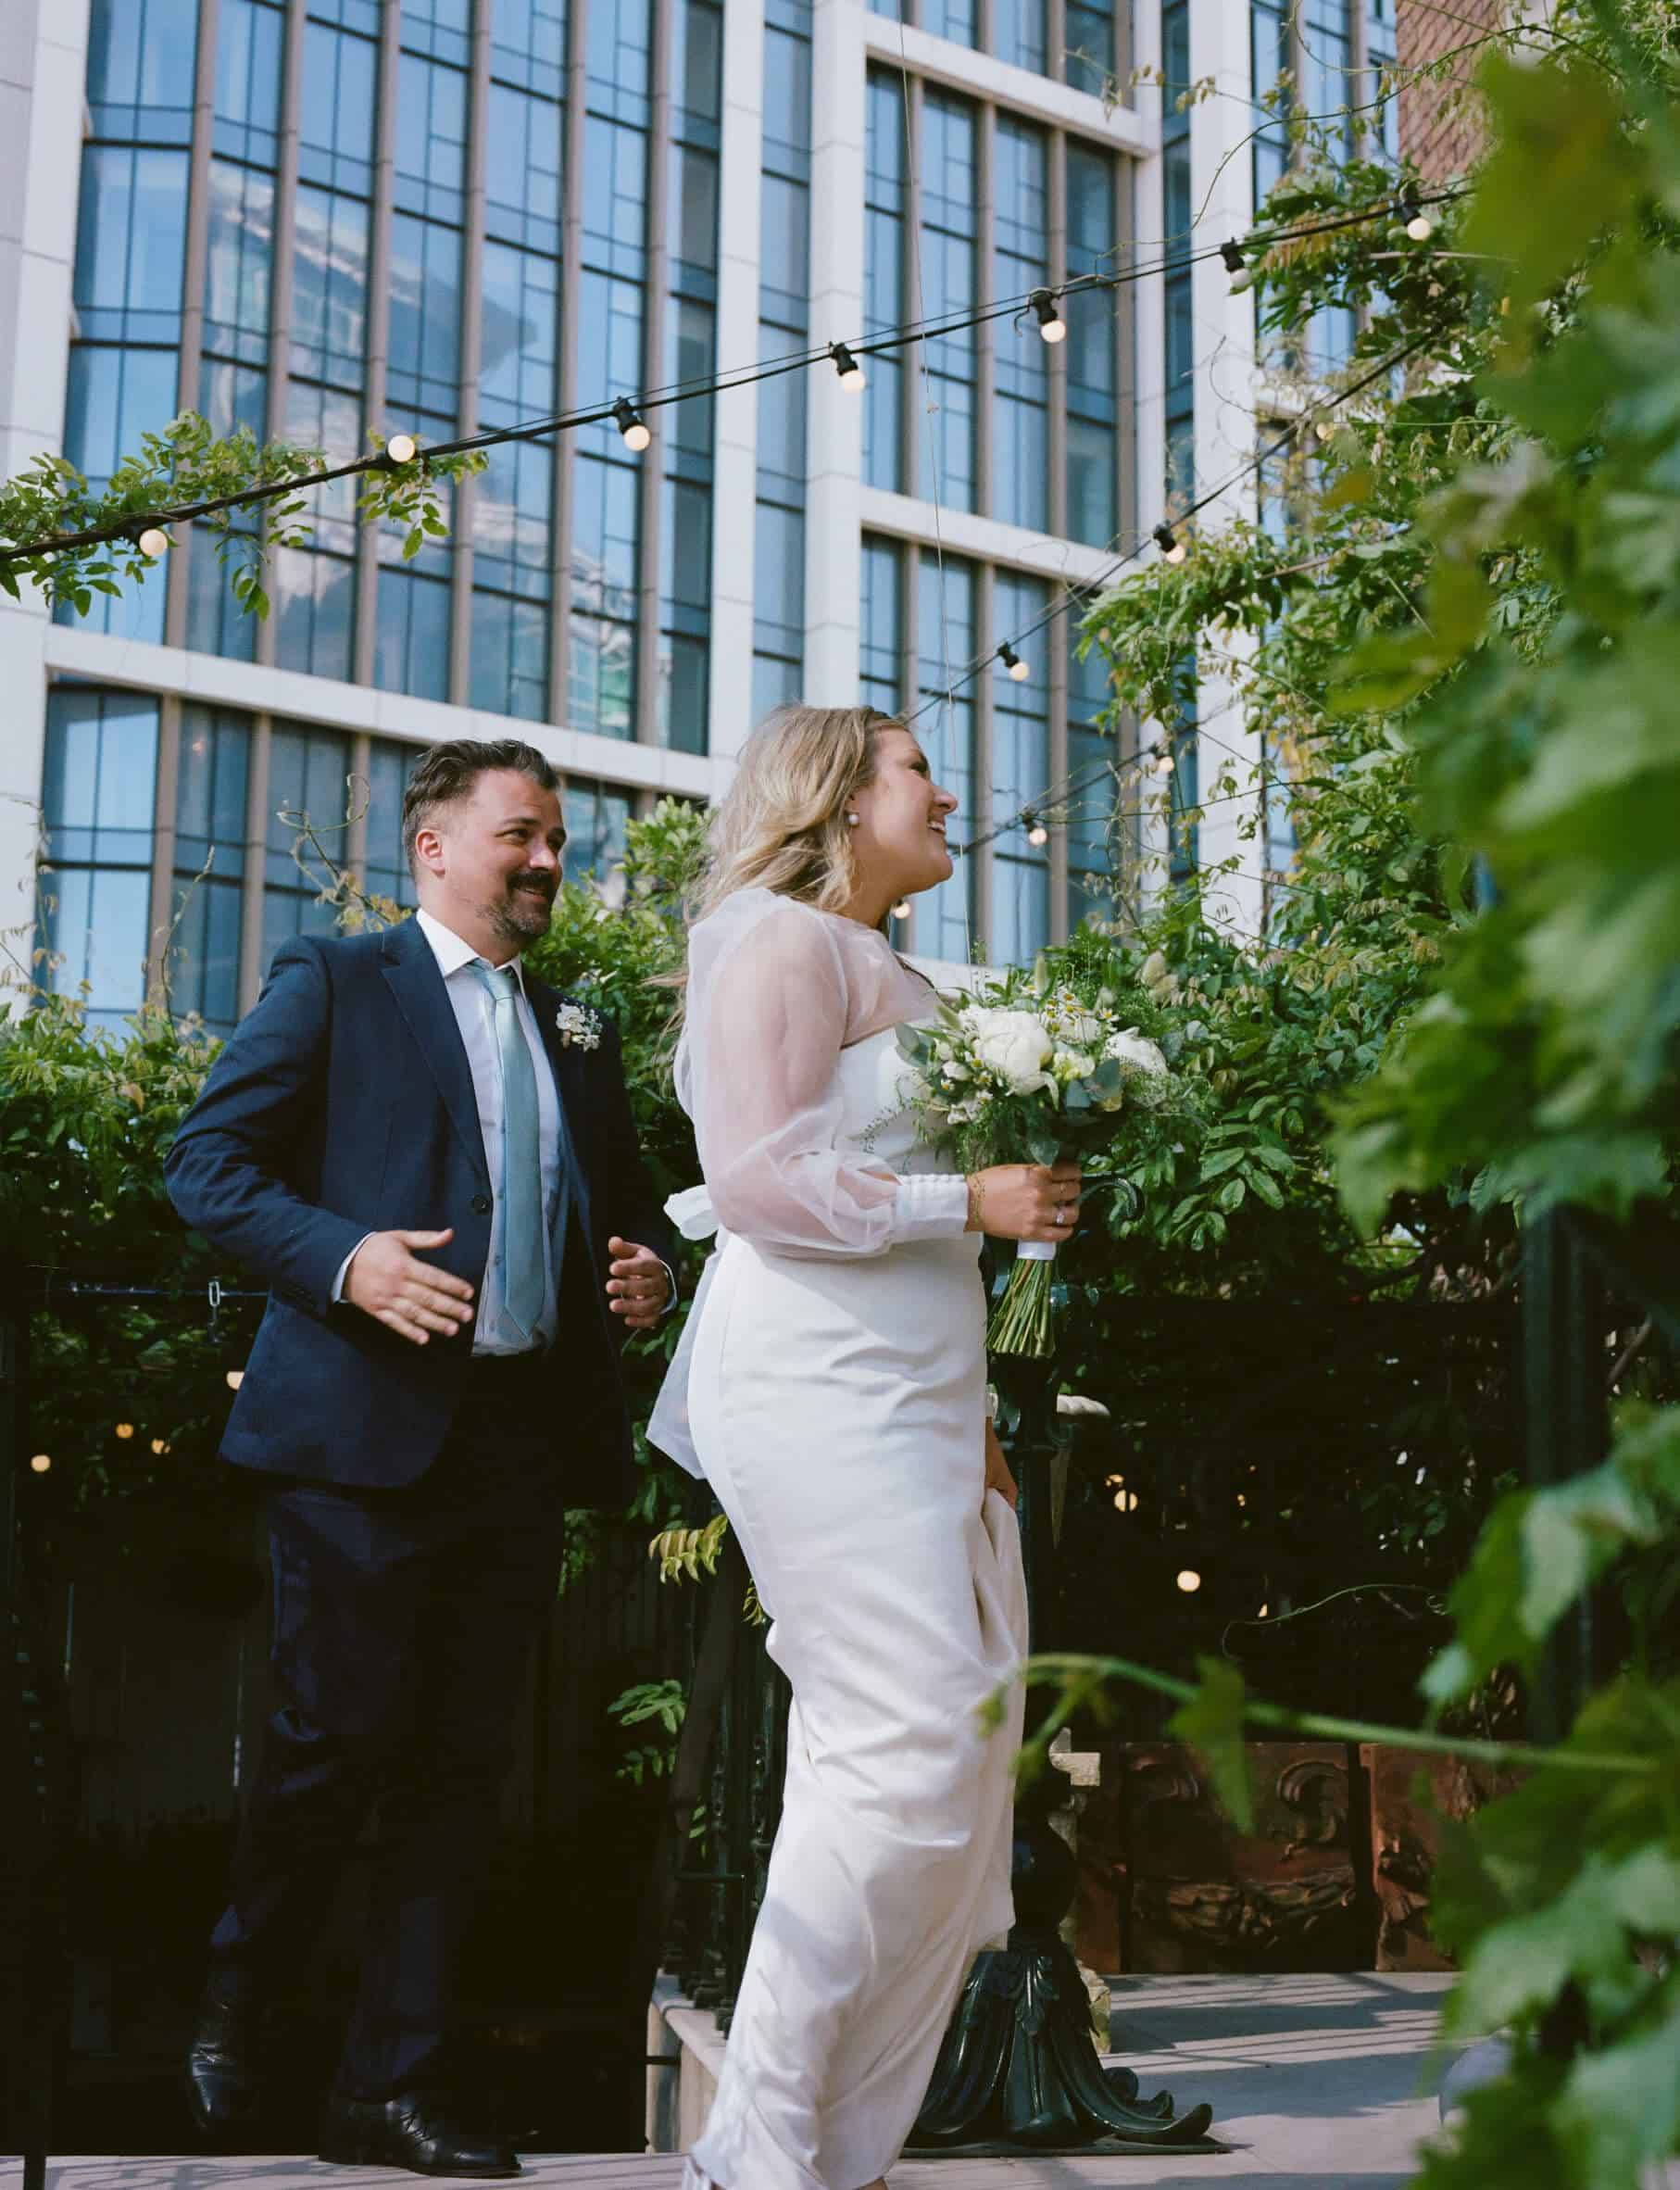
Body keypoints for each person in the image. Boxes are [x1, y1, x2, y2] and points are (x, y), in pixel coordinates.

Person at [164, 737, 673, 2179]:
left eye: (561, 840)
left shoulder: (578, 1024)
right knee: (335, 1745)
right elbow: (208, 1166)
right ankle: (241, 1995)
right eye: (523, 834)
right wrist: (347, 1262)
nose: (549, 862)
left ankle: (389, 2086)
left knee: (462, 1773)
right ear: (434, 848)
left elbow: (625, 1213)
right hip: (356, 1445)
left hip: (516, 1447)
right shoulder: (336, 981)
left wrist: (644, 1277)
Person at [647, 703, 1081, 2190]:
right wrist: (968, 1202)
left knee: (943, 1757)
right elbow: (757, 1182)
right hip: (817, 1381)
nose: (948, 794)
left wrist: (970, 1427)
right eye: (916, 772)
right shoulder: (773, 940)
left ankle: (820, 2148)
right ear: (837, 801)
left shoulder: (894, 964)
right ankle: (761, 2141)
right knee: (904, 1742)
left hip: (915, 1395)